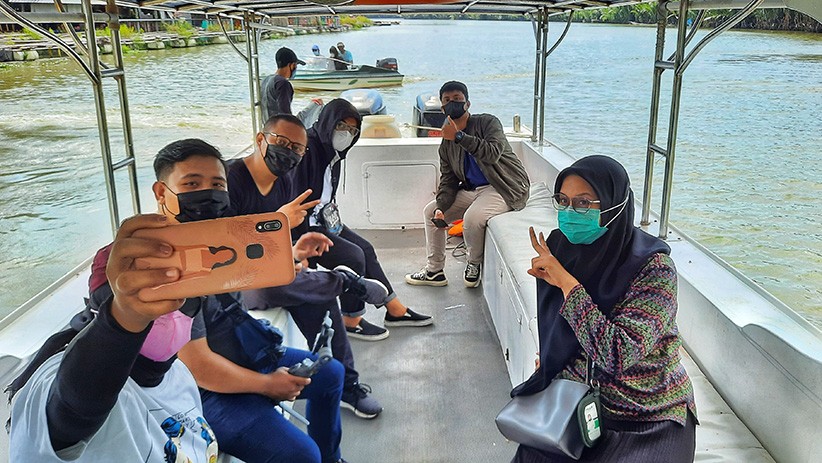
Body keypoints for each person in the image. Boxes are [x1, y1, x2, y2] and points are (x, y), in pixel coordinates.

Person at [91, 139, 349, 463]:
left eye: (217, 184)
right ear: (161, 193)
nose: (208, 193)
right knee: (301, 455)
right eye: (192, 184)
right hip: (200, 392)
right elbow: (197, 365)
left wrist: (294, 254)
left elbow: (245, 281)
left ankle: (332, 457)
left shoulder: (219, 238)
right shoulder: (153, 266)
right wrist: (268, 384)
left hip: (243, 352)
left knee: (331, 374)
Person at [510, 155, 697, 462]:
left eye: (584, 204)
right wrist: (554, 364)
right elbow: (559, 333)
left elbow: (618, 354)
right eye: (563, 201)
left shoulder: (654, 269)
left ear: (614, 208)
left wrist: (568, 285)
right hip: (580, 404)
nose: (570, 213)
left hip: (649, 413)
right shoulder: (561, 249)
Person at [7, 215, 218, 462]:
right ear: (102, 307)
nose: (167, 313)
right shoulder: (56, 378)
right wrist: (124, 318)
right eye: (148, 300)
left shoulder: (178, 373)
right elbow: (74, 406)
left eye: (181, 297)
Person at [228, 114, 385, 419]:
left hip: (271, 272)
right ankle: (344, 282)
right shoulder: (231, 180)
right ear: (261, 140)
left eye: (297, 149)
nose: (288, 152)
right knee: (279, 282)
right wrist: (279, 220)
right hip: (235, 280)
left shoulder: (285, 181)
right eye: (281, 143)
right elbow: (223, 248)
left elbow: (273, 248)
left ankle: (348, 385)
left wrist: (294, 253)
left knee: (319, 296)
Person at [287, 99, 433, 341]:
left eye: (353, 130)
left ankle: (395, 310)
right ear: (328, 122)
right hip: (304, 228)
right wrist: (304, 246)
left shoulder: (332, 153)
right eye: (342, 126)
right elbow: (297, 202)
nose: (347, 134)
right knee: (352, 256)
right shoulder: (309, 150)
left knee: (365, 248)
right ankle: (350, 320)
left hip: (324, 220)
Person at [405, 80, 530, 288]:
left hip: (504, 187)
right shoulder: (446, 144)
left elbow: (492, 153)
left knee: (472, 218)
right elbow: (448, 180)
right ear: (442, 107)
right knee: (430, 211)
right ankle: (434, 271)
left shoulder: (488, 123)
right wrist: (441, 207)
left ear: (467, 104)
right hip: (474, 189)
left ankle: (473, 263)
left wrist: (459, 137)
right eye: (447, 100)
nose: (452, 103)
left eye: (457, 99)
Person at [261, 47, 322, 124]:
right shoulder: (283, 83)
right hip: (282, 129)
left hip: (268, 126)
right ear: (291, 65)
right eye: (295, 66)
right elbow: (286, 115)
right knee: (318, 103)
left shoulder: (265, 80)